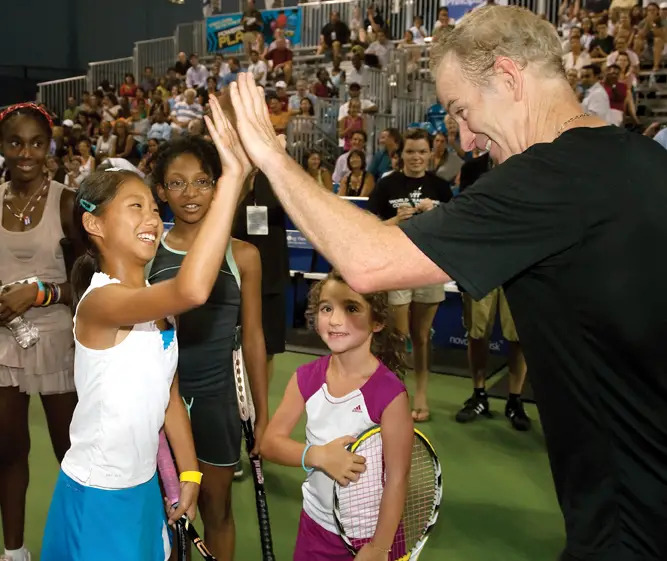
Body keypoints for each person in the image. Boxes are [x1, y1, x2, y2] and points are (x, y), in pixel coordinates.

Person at [225, 2, 667, 556]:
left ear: (508, 77)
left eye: (460, 110)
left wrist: (269, 154)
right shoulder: (643, 162)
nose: (465, 140)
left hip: (630, 521)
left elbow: (367, 262)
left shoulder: (550, 177)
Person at [40, 96, 253, 560]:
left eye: (154, 209)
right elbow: (193, 290)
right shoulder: (102, 301)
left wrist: (190, 473)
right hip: (96, 495)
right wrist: (232, 179)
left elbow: (169, 396)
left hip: (142, 489)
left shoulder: (155, 305)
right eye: (134, 207)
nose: (152, 218)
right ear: (93, 223)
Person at [149, 135, 268, 559]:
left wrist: (263, 413)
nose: (190, 194)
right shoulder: (148, 254)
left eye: (202, 182)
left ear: (219, 187)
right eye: (176, 184)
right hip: (160, 406)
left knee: (218, 513)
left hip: (219, 404)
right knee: (169, 514)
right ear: (160, 191)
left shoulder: (244, 255)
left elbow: (253, 336)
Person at [260, 271, 413, 561]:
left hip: (372, 536)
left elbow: (398, 476)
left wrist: (379, 548)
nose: (335, 319)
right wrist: (317, 456)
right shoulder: (305, 378)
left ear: (377, 321)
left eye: (351, 308)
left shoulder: (390, 394)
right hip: (314, 529)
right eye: (326, 308)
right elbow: (270, 444)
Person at [0, 103, 80, 561]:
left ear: (48, 146)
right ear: (3, 147)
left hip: (56, 343)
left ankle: (80, 545)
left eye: (35, 142)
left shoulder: (67, 202)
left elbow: (87, 282)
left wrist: (38, 294)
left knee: (70, 453)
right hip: (4, 344)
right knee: (8, 452)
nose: (25, 152)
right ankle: (14, 551)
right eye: (15, 142)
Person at [368, 129, 451, 422]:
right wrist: (395, 220)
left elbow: (450, 230)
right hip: (396, 269)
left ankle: (422, 396)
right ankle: (395, 396)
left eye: (422, 152)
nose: (416, 158)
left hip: (428, 268)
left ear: (430, 154)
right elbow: (370, 228)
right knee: (397, 336)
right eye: (410, 152)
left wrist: (436, 212)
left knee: (421, 338)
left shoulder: (441, 188)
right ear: (399, 155)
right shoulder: (386, 185)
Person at [454, 149, 529, 430]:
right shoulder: (473, 168)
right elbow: (463, 212)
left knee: (519, 336)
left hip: (518, 262)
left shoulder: (530, 164)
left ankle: (515, 398)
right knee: (477, 333)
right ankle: (479, 393)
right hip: (480, 261)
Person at [232, 170, 289, 382]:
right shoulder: (230, 176)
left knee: (267, 347)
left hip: (271, 277)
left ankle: (259, 404)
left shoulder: (276, 177)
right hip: (235, 277)